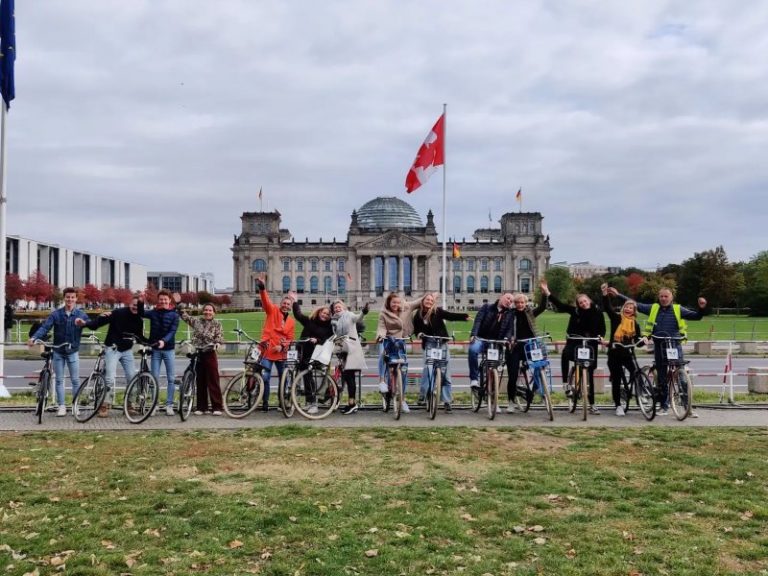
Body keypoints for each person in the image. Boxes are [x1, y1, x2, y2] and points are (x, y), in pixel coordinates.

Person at [609, 286, 707, 416]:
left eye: (666, 296)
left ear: (671, 297)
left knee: (682, 377)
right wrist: (619, 294)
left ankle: (687, 407)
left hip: (674, 346)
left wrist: (701, 307)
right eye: (661, 296)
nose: (664, 298)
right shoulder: (653, 308)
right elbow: (635, 304)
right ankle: (663, 405)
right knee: (662, 378)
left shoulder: (678, 309)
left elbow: (696, 316)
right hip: (660, 346)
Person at [541, 282, 606, 415]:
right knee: (565, 354)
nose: (583, 304)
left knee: (590, 375)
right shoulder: (575, 311)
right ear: (578, 304)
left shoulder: (598, 312)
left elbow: (602, 329)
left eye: (585, 301)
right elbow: (560, 305)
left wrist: (600, 337)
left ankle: (592, 404)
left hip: (590, 344)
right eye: (580, 302)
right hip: (575, 342)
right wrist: (548, 293)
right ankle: (566, 383)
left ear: (589, 300)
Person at [27, 287, 90, 416]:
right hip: (58, 351)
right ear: (64, 298)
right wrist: (34, 337)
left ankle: (75, 405)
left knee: (75, 380)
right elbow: (45, 327)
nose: (70, 300)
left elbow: (91, 323)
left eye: (72, 297)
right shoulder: (56, 314)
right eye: (68, 297)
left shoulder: (80, 314)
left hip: (73, 351)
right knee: (59, 380)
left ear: (76, 299)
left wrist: (85, 323)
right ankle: (61, 406)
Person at [83, 293, 144, 418]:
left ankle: (129, 405)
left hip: (127, 350)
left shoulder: (139, 319)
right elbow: (99, 323)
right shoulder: (118, 313)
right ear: (129, 304)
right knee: (110, 377)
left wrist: (152, 342)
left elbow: (139, 337)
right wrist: (86, 323)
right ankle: (104, 405)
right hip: (113, 347)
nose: (135, 308)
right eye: (133, 305)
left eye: (138, 306)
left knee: (132, 376)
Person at [412, 292, 469, 412]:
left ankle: (447, 400)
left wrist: (464, 316)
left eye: (431, 300)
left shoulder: (438, 311)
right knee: (428, 370)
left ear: (434, 302)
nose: (429, 302)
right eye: (427, 300)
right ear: (423, 301)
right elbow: (416, 329)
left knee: (446, 374)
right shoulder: (418, 315)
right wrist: (419, 334)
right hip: (429, 344)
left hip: (442, 343)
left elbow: (450, 316)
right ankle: (423, 395)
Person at [375, 292, 425, 413]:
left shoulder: (406, 307)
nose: (396, 304)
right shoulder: (384, 313)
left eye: (398, 302)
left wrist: (431, 296)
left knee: (403, 371)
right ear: (389, 302)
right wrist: (381, 336)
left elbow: (419, 302)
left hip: (400, 340)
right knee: (383, 353)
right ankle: (382, 381)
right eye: (394, 302)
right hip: (387, 340)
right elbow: (381, 327)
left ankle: (402, 400)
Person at [601, 284, 643, 417]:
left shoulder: (635, 324)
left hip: (627, 354)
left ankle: (640, 394)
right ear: (623, 308)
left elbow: (637, 340)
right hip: (614, 353)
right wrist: (604, 295)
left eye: (631, 308)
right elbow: (607, 308)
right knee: (617, 379)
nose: (629, 309)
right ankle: (618, 405)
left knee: (636, 372)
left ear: (634, 310)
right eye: (627, 307)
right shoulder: (616, 318)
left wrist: (643, 341)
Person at [505, 285, 548, 413]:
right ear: (514, 303)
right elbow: (506, 329)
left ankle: (536, 390)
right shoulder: (510, 314)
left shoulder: (530, 313)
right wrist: (509, 339)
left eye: (522, 302)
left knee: (540, 367)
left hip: (530, 346)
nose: (519, 305)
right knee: (512, 376)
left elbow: (542, 307)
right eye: (517, 303)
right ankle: (511, 401)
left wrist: (545, 294)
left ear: (526, 303)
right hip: (514, 347)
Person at [255, 275, 295, 411]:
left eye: (288, 304)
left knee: (284, 380)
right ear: (281, 304)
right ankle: (264, 403)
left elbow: (290, 338)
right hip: (267, 350)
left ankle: (281, 403)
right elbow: (265, 301)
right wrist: (262, 288)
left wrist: (283, 346)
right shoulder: (272, 311)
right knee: (265, 377)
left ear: (291, 307)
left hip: (281, 353)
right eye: (284, 303)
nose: (285, 305)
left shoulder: (291, 322)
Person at [467, 293, 515, 401]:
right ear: (501, 296)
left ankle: (493, 400)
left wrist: (507, 339)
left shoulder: (509, 313)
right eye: (508, 298)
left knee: (494, 370)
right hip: (482, 339)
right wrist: (474, 334)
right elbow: (478, 321)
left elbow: (510, 329)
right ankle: (474, 379)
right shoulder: (487, 307)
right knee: (472, 350)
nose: (509, 301)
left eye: (511, 301)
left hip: (496, 342)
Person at [141, 289, 181, 416]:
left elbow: (172, 331)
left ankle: (169, 405)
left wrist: (164, 341)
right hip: (156, 350)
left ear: (169, 300)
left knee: (171, 378)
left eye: (165, 299)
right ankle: (154, 405)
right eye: (161, 299)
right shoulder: (153, 313)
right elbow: (140, 313)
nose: (163, 301)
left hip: (168, 349)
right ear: (158, 300)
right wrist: (141, 301)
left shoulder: (174, 315)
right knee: (154, 378)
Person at [291, 297, 333, 415]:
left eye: (327, 314)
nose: (325, 315)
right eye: (323, 312)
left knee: (309, 377)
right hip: (302, 349)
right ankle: (306, 401)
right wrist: (295, 301)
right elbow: (298, 315)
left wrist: (317, 340)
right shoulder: (310, 320)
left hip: (315, 354)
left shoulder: (329, 327)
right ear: (319, 312)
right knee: (302, 376)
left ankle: (313, 403)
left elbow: (326, 340)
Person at [181, 303, 224, 415]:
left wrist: (217, 344)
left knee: (213, 380)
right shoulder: (197, 321)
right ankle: (201, 407)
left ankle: (217, 407)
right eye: (205, 310)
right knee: (200, 380)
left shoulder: (217, 324)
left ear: (214, 312)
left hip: (210, 352)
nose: (207, 312)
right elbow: (184, 316)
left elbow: (219, 337)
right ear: (202, 311)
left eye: (210, 310)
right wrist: (179, 305)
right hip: (198, 353)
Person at [330, 299, 368, 415]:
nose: (337, 308)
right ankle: (351, 403)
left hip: (351, 349)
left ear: (344, 307)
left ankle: (352, 404)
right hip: (342, 350)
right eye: (335, 307)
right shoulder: (334, 320)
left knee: (350, 377)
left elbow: (358, 318)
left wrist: (363, 312)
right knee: (347, 377)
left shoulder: (349, 315)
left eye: (339, 306)